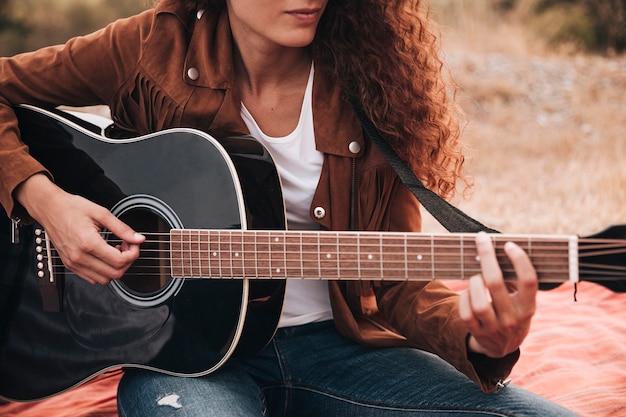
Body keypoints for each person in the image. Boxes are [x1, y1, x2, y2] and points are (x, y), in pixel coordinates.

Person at [0, 0, 578, 416]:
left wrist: (483, 343)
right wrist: (45, 200)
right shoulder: (153, 46)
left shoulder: (376, 81)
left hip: (342, 351)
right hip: (188, 357)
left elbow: (395, 278)